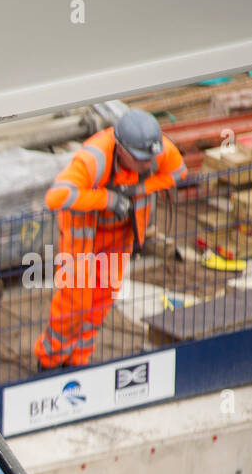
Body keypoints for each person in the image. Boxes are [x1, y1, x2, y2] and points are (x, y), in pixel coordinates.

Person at [34, 109, 185, 370]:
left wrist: (138, 189)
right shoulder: (94, 158)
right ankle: (49, 360)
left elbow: (178, 172)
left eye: (151, 158)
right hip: (84, 236)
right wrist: (107, 199)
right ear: (122, 149)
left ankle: (78, 360)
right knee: (76, 300)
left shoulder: (158, 149)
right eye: (141, 160)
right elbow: (55, 197)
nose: (149, 165)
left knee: (102, 298)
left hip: (120, 234)